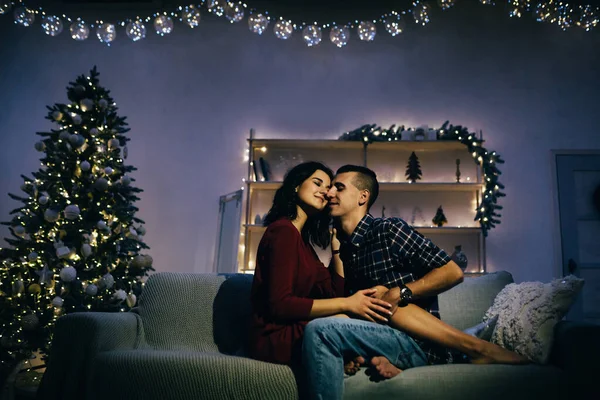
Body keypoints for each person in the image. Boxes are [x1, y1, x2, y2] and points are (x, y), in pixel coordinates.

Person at [302, 165, 528, 400]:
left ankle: (476, 348)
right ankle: (378, 359)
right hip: (377, 337)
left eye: (339, 187)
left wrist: (399, 292)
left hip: (416, 342)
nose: (329, 193)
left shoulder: (388, 230)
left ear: (363, 196)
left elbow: (452, 272)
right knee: (334, 316)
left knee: (345, 317)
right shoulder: (345, 248)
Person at [248, 162, 395, 369]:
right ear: (296, 186)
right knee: (344, 319)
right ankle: (394, 358)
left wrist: (337, 248)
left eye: (328, 188)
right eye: (318, 183)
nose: (326, 193)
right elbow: (279, 304)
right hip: (273, 337)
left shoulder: (303, 243)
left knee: (349, 319)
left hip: (293, 328)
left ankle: (365, 358)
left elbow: (334, 291)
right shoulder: (282, 231)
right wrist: (347, 304)